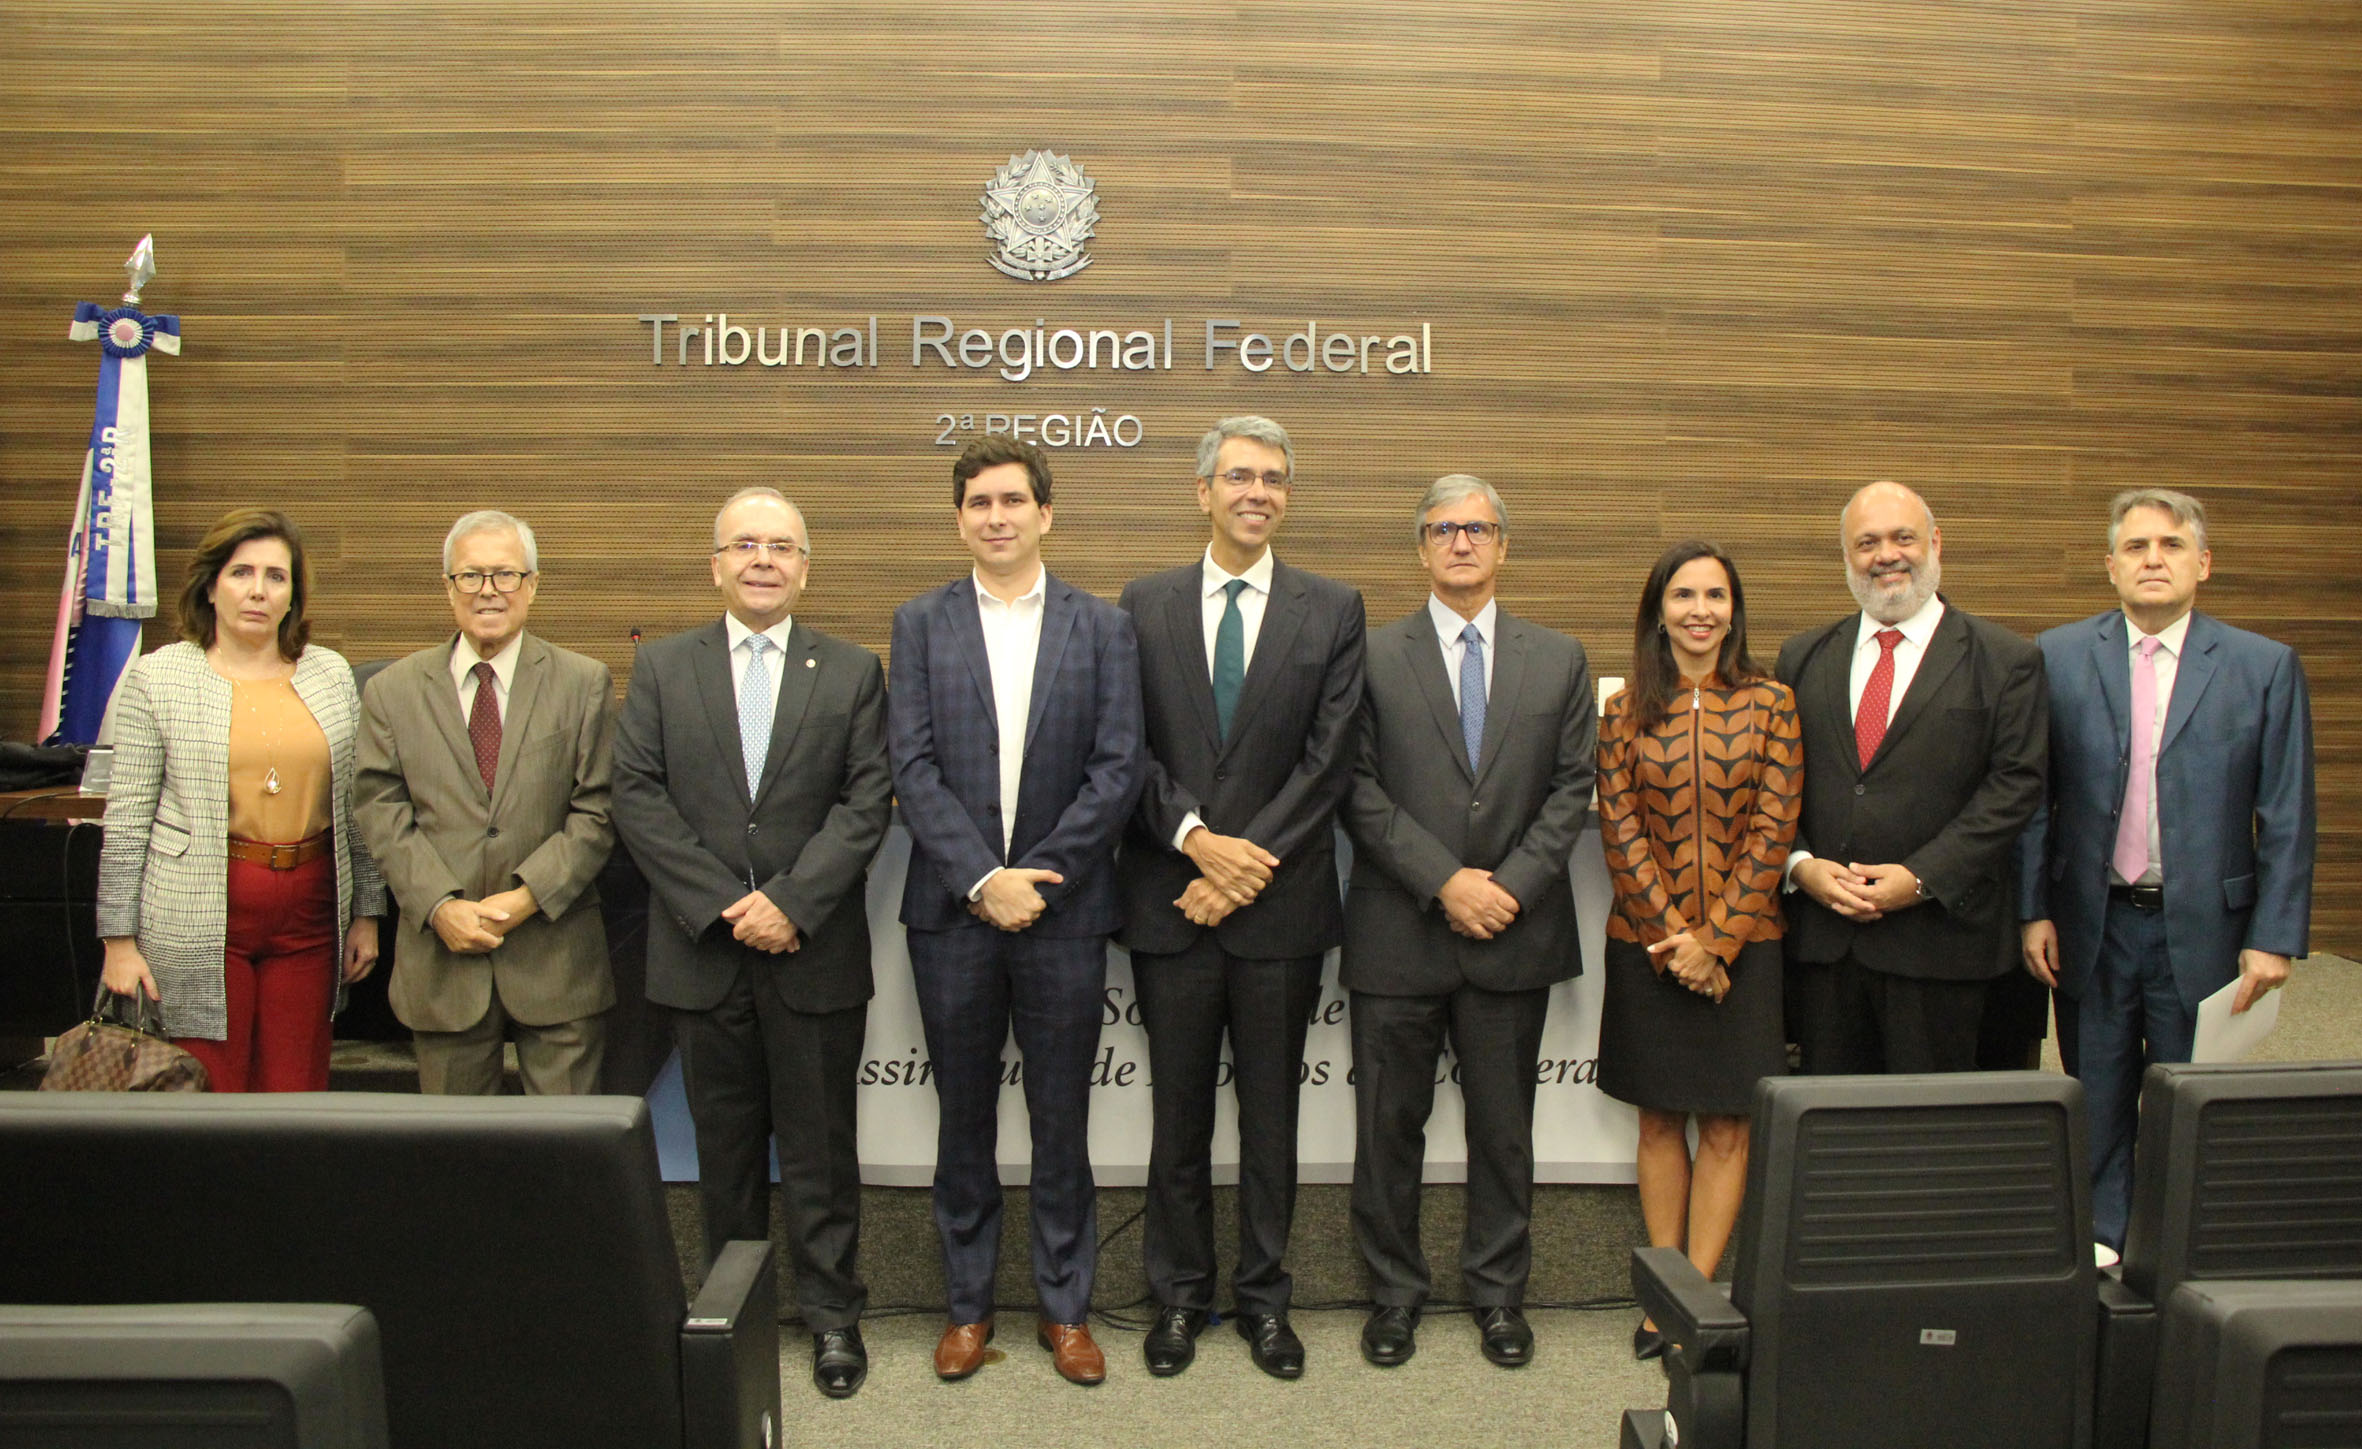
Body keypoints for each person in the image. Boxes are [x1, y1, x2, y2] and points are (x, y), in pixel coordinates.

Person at [609, 488, 891, 1400]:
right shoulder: (662, 667)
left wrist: (792, 903)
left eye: (781, 546)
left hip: (813, 952)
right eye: (745, 545)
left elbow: (865, 802)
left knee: (819, 1149)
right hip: (704, 950)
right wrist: (731, 904)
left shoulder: (850, 671)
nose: (762, 560)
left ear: (805, 567)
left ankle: (832, 1318)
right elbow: (638, 797)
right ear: (716, 562)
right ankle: (730, 1322)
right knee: (723, 1154)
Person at [888, 436, 1144, 1386]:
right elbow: (908, 766)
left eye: (1012, 500)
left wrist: (1034, 875)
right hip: (951, 914)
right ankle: (967, 1309)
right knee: (962, 1120)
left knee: (1061, 1118)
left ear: (1047, 512)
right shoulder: (919, 623)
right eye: (978, 502)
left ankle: (1066, 1309)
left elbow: (1117, 768)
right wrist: (978, 878)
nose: (995, 516)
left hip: (1064, 913)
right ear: (959, 517)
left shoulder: (1102, 625)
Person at [1117, 415, 1367, 1380]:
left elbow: (1330, 757)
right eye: (1237, 477)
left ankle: (1266, 1301)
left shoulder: (1332, 606)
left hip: (1280, 911)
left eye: (1272, 479)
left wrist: (1243, 865)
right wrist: (1197, 843)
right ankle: (1178, 1298)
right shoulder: (1141, 604)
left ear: (1287, 496)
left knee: (1272, 1118)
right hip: (1169, 901)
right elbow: (1125, 749)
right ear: (1201, 490)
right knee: (1176, 1115)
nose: (1255, 492)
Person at [1339, 475, 1594, 1371]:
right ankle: (1395, 1295)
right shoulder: (1368, 656)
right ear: (1420, 547)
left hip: (1511, 933)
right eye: (1443, 529)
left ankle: (1498, 1296)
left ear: (1502, 545)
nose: (1461, 542)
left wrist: (1508, 887)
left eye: (1478, 528)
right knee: (1387, 1128)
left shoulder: (1558, 658)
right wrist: (1446, 880)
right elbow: (1356, 791)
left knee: (1504, 1128)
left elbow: (1572, 791)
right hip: (1400, 930)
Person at [2019, 487, 2313, 1249]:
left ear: (2203, 563)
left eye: (2172, 545)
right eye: (2138, 547)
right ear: (2110, 565)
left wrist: (2275, 934)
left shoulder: (2264, 666)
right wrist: (2033, 909)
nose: (2154, 559)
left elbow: (2286, 813)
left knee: (2193, 1105)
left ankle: (2179, 1254)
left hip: (2209, 931)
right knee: (2099, 1099)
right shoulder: (2054, 656)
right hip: (2094, 924)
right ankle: (2105, 1252)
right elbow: (2034, 800)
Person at [1596, 540, 1800, 1361]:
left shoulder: (1773, 702)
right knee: (1658, 1120)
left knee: (1726, 1125)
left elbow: (1775, 827)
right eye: (1683, 595)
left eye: (1715, 595)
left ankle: (1696, 1296)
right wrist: (1674, 937)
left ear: (1733, 609)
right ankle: (1664, 1286)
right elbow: (1619, 830)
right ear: (1659, 610)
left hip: (1745, 952)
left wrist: (1717, 940)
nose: (1700, 610)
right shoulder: (1622, 709)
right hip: (1646, 946)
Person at [96, 507, 384, 1091]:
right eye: (241, 573)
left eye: (276, 577)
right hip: (196, 916)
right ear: (210, 585)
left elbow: (359, 806)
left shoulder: (329, 674)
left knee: (294, 1092)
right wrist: (118, 943)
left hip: (310, 916)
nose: (258, 590)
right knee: (209, 1090)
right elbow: (126, 821)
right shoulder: (159, 678)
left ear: (293, 594)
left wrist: (367, 913)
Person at [1775, 481, 2047, 1074]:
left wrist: (1922, 878)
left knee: (1930, 1140)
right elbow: (1776, 784)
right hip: (1826, 945)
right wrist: (1800, 866)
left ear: (1936, 543)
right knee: (1831, 1133)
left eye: (1903, 538)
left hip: (1941, 945)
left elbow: (2015, 786)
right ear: (1846, 557)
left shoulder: (2005, 660)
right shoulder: (1802, 658)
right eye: (1866, 543)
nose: (1886, 555)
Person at [354, 510, 617, 1094]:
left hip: (556, 956)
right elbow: (380, 809)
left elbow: (599, 809)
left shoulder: (584, 682)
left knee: (567, 1156)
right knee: (458, 1162)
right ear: (449, 588)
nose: (489, 591)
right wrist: (439, 904)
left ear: (533, 585)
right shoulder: (391, 691)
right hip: (443, 959)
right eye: (471, 576)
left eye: (505, 575)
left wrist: (526, 897)